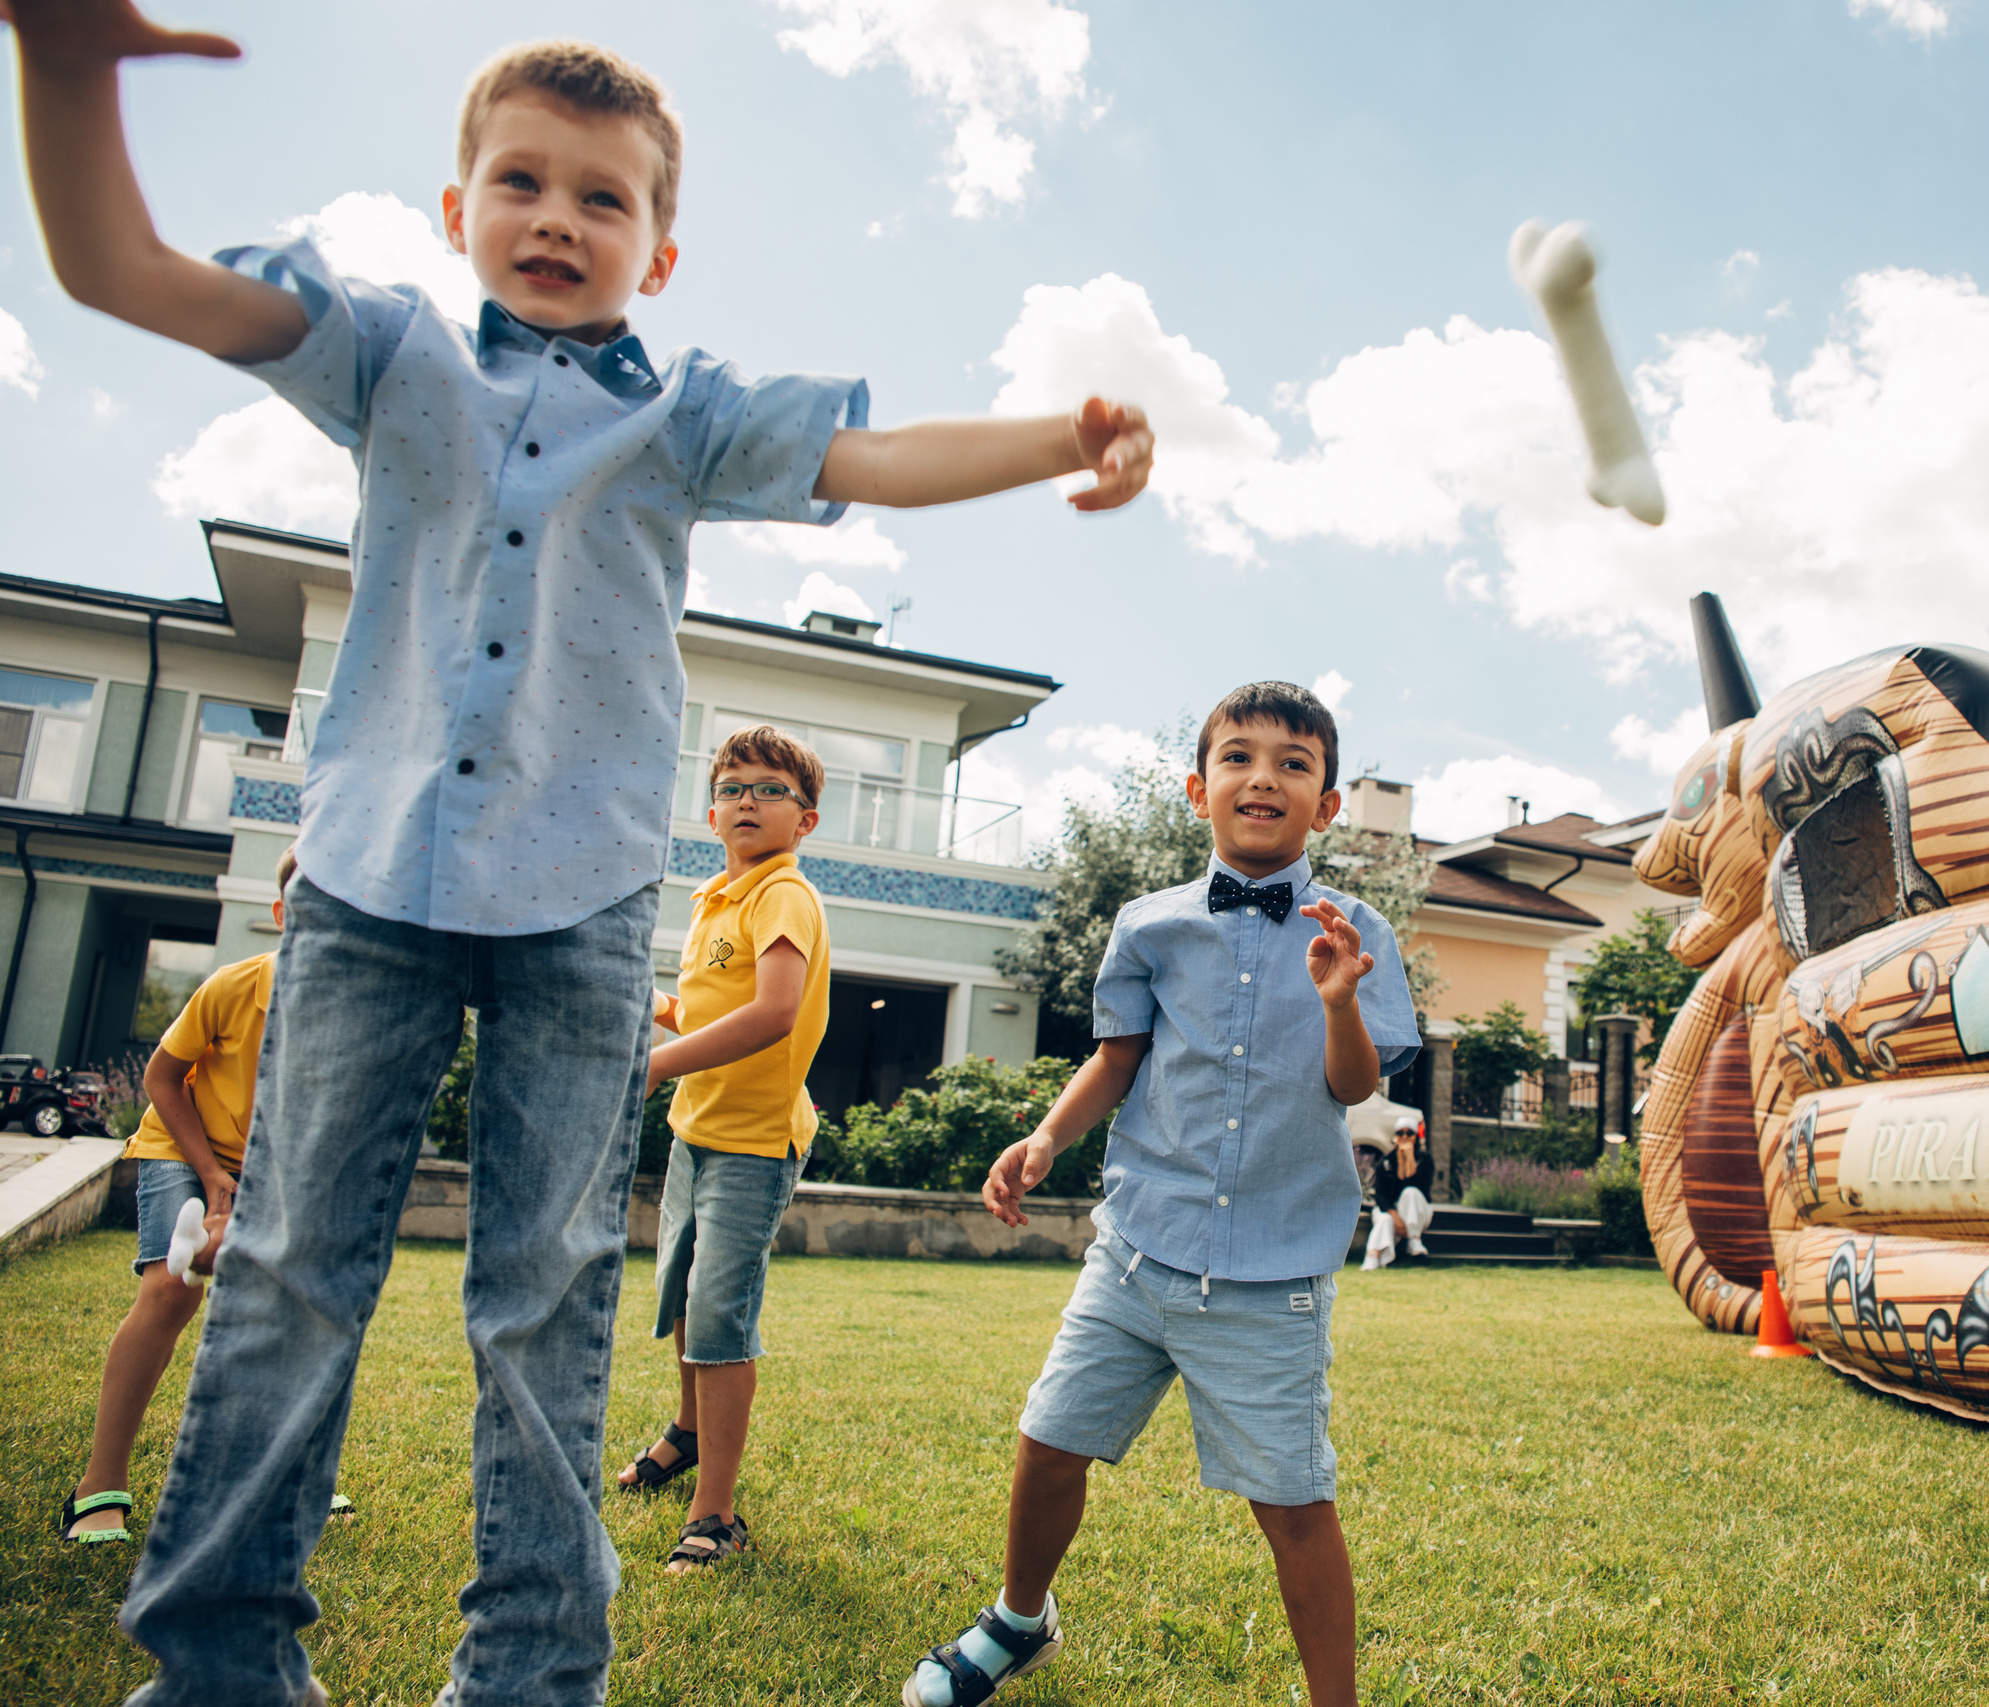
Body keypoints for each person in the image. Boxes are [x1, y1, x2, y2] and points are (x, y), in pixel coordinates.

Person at [7, 12, 1153, 1704]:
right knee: (289, 1278)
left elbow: (875, 457)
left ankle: (534, 1673)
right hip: (373, 887)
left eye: (601, 200)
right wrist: (62, 53)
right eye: (522, 182)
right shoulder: (386, 353)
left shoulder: (684, 417)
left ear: (658, 248)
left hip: (580, 907)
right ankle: (222, 1663)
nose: (557, 217)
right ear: (457, 199)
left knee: (544, 1302)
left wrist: (1063, 438)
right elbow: (121, 271)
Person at [913, 681, 1420, 1707]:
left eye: (1293, 762)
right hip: (1139, 1247)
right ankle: (1019, 1621)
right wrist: (1048, 1135)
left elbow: (1354, 1088)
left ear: (1326, 804)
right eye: (1238, 756)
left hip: (1272, 1274)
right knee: (1050, 1443)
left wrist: (1337, 1001)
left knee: (1292, 1502)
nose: (1262, 776)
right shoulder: (1148, 924)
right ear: (1199, 789)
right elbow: (1116, 1060)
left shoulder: (1355, 930)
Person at [613, 724, 831, 1576]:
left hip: (753, 1143)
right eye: (734, 785)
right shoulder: (717, 899)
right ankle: (688, 1431)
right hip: (696, 1132)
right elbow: (713, 1008)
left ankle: (718, 1514)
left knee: (720, 1317)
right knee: (684, 1294)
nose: (749, 798)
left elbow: (775, 1011)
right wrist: (658, 1006)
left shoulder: (784, 894)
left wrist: (655, 1065)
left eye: (770, 788)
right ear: (711, 811)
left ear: (804, 820)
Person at [58, 845, 293, 1544]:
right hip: (180, 1137)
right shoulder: (233, 986)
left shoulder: (358, 1012)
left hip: (266, 1163)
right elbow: (163, 1078)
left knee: (288, 1304)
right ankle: (97, 1484)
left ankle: (285, 1471)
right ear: (282, 915)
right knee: (169, 1288)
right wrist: (214, 1177)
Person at [1360, 1113, 1432, 1269]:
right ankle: (1373, 1255)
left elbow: (1422, 1189)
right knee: (1385, 1219)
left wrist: (1410, 1161)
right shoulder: (1385, 1163)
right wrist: (1395, 1216)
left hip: (1418, 1210)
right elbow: (1381, 1195)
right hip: (1391, 1210)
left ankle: (1414, 1238)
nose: (1404, 1136)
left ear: (1415, 1137)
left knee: (1410, 1192)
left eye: (1409, 1133)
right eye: (1400, 1133)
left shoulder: (1425, 1160)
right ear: (1395, 1136)